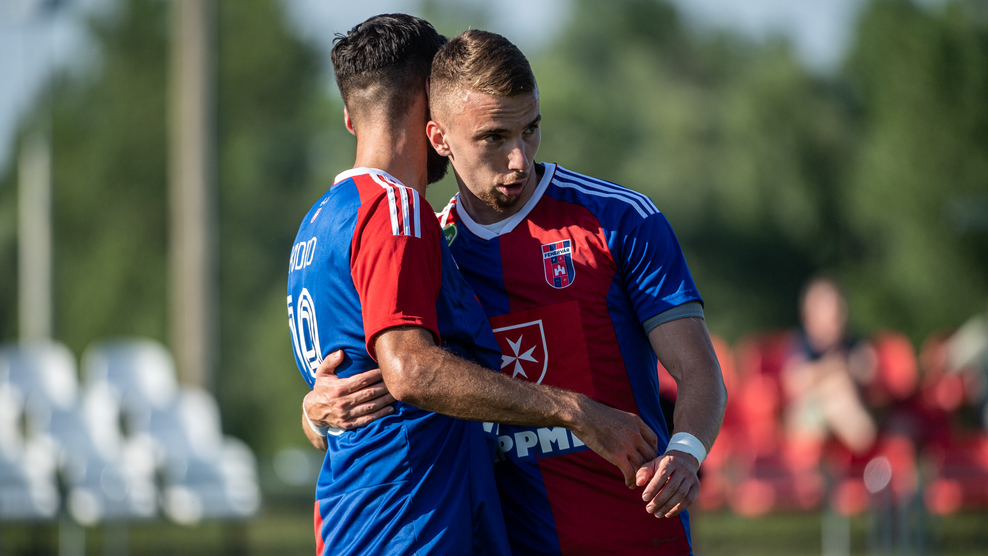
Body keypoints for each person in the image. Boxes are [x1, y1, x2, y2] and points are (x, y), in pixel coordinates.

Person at [306, 28, 727, 555]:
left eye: (530, 130)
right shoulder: (427, 246)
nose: (519, 159)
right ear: (439, 139)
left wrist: (685, 453)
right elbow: (401, 376)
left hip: (634, 538)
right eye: (494, 138)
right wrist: (317, 412)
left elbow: (699, 370)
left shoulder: (618, 219)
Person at [781, 275, 877, 457]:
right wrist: (835, 369)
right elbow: (795, 382)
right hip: (809, 415)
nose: (837, 315)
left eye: (838, 309)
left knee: (839, 389)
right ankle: (860, 435)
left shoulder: (852, 342)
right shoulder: (801, 343)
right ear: (810, 313)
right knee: (836, 389)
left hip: (848, 404)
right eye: (829, 309)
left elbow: (868, 371)